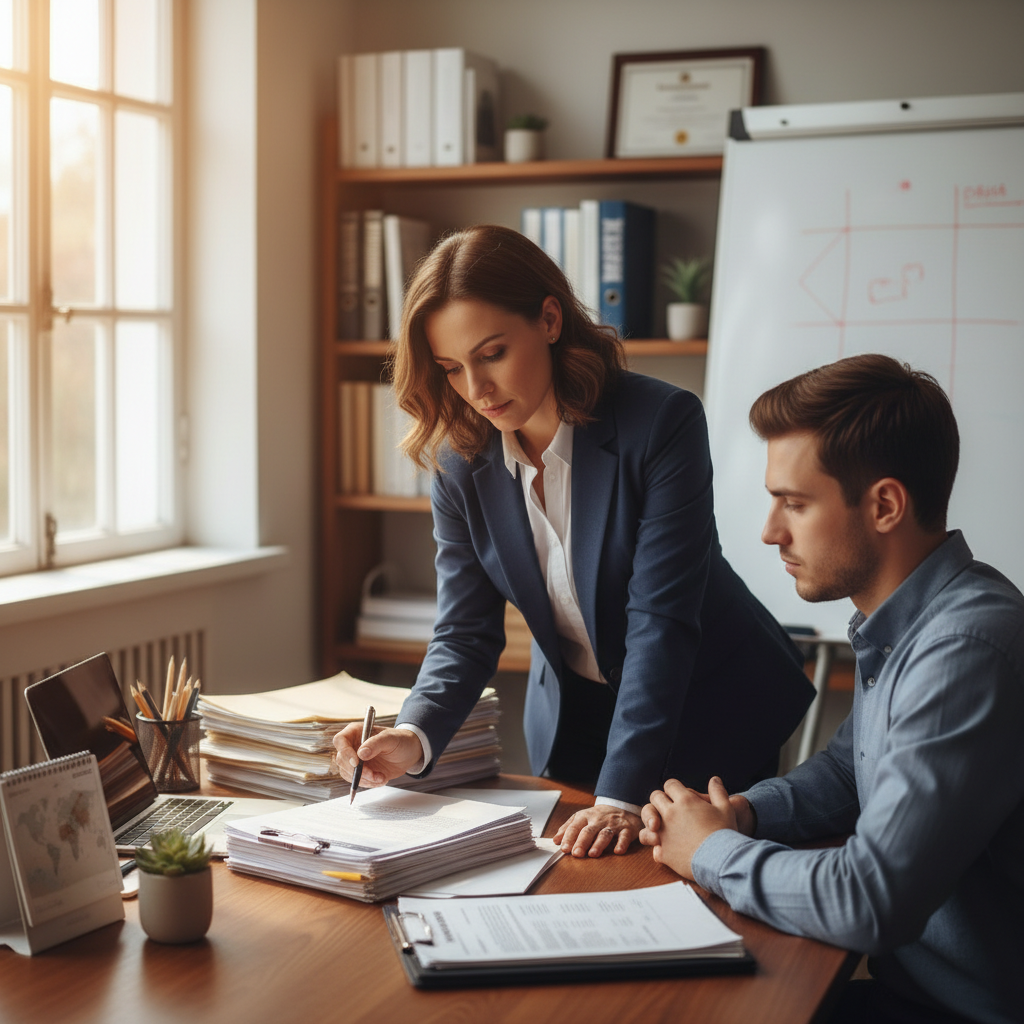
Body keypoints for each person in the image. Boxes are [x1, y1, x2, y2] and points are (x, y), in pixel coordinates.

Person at [334, 224, 814, 858]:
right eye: (451, 369)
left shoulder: (660, 424)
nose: (476, 390)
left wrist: (619, 798)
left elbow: (660, 621)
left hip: (706, 705)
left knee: (702, 894)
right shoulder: (460, 463)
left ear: (550, 320)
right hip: (574, 719)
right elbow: (464, 631)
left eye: (492, 354)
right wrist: (413, 735)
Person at [639, 354, 1024, 1024]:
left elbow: (870, 900)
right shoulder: (909, 623)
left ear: (884, 505)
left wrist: (709, 851)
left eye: (795, 503)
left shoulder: (965, 649)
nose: (770, 531)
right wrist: (742, 815)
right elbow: (850, 771)